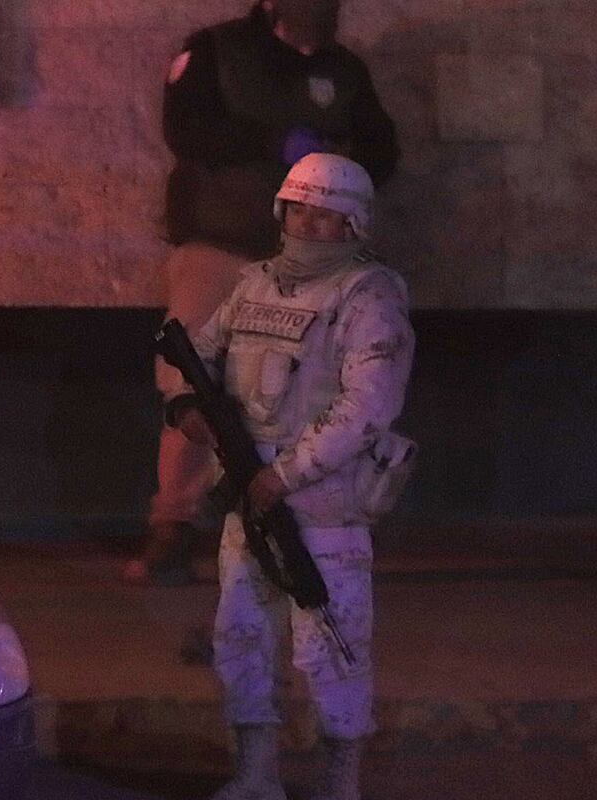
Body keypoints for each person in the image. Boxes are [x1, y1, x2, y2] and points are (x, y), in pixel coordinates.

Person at [168, 153, 417, 800]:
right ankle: (255, 782)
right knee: (241, 636)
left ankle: (341, 793)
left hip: (322, 500)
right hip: (250, 493)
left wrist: (289, 473)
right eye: (300, 208)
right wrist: (188, 408)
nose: (311, 223)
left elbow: (367, 407)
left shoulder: (368, 296)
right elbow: (201, 354)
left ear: (354, 224)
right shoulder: (254, 287)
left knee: (331, 644)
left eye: (328, 213)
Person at [132, 0, 399, 586]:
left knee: (308, 393)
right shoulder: (217, 52)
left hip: (307, 262)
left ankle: (294, 525)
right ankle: (174, 524)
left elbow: (382, 150)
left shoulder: (343, 69)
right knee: (192, 388)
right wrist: (279, 143)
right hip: (220, 245)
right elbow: (188, 129)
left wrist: (334, 169)